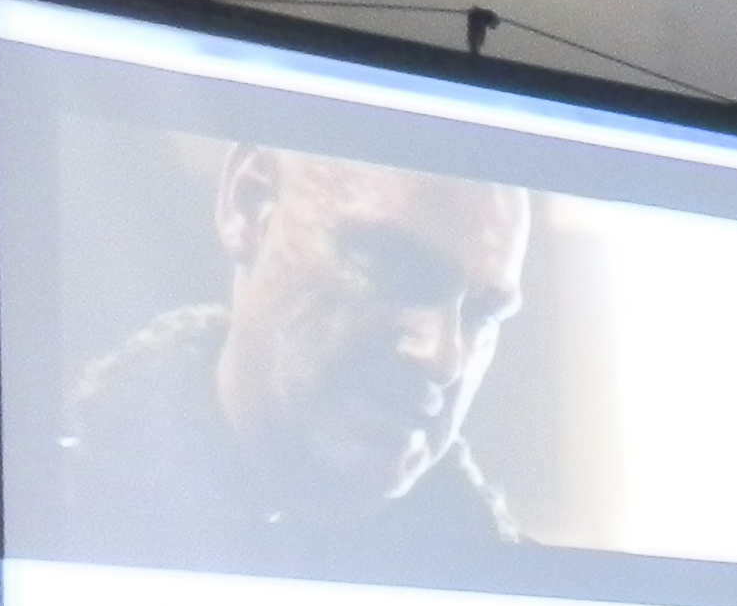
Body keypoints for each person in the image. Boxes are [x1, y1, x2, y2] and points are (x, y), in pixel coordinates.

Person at [60, 147, 531, 573]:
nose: (443, 358)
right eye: (393, 264)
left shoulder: (511, 603)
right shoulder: (49, 513)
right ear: (251, 205)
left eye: (482, 315)